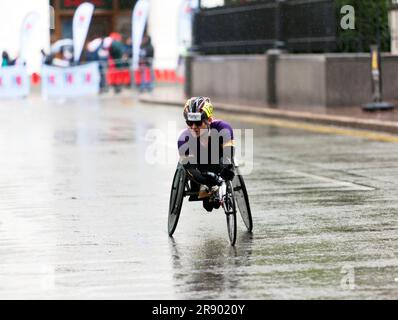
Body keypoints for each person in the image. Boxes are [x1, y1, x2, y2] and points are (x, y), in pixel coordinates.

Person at [177, 97, 236, 212]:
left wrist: (227, 166)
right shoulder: (183, 139)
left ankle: (214, 192)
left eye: (198, 122)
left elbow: (228, 153)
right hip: (199, 170)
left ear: (209, 120)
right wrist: (204, 180)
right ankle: (207, 192)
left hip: (218, 163)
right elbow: (190, 168)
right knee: (208, 206)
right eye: (189, 122)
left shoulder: (223, 128)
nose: (193, 127)